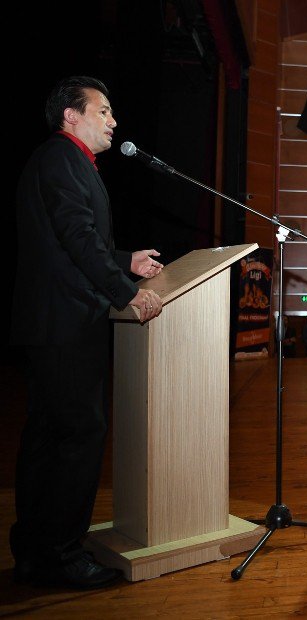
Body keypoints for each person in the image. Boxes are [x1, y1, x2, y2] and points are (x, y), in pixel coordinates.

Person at [12, 76, 165, 589]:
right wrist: (125, 291)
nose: (114, 121)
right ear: (70, 116)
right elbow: (77, 238)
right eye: (104, 111)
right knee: (78, 436)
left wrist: (125, 260)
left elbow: (67, 242)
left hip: (54, 322)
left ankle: (36, 549)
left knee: (49, 437)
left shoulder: (60, 161)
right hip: (67, 322)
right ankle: (62, 554)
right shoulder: (62, 159)